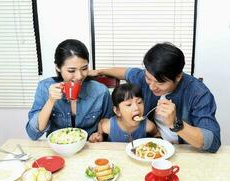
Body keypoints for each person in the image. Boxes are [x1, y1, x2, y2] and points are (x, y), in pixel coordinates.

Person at [88, 42, 221, 153]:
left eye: (160, 83)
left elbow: (213, 141)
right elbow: (127, 72)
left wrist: (175, 123)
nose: (152, 87)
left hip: (184, 151)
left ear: (178, 76)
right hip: (151, 149)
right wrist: (100, 71)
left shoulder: (198, 93)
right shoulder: (146, 77)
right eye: (148, 78)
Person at [26, 39, 113, 140]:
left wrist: (99, 136)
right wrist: (51, 101)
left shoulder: (101, 92)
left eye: (84, 68)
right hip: (58, 149)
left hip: (89, 149)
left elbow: (109, 131)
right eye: (71, 70)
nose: (79, 76)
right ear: (58, 67)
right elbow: (33, 134)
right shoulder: (44, 88)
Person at [89, 83, 158, 142]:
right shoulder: (109, 126)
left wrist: (158, 139)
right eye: (129, 105)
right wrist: (99, 134)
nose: (136, 108)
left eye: (139, 102)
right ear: (117, 111)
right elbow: (101, 123)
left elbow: (156, 133)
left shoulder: (148, 126)